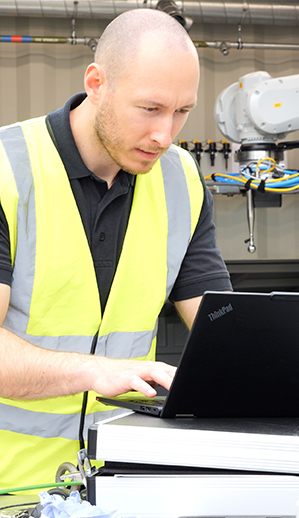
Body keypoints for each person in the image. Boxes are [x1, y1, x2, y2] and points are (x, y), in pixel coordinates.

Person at [0, 9, 232, 489]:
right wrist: (97, 372)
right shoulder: (6, 170)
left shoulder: (181, 179)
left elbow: (220, 322)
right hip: (11, 487)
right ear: (96, 83)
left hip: (123, 483)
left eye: (182, 111)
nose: (165, 136)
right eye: (149, 109)